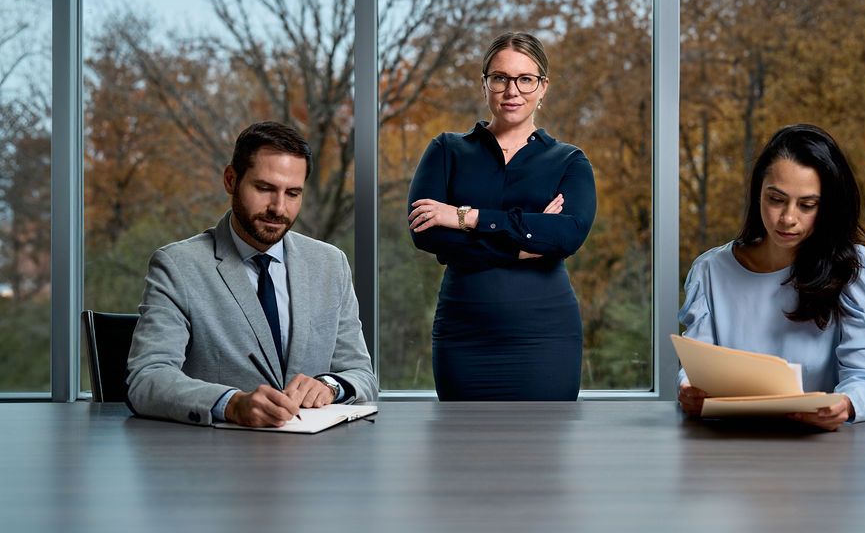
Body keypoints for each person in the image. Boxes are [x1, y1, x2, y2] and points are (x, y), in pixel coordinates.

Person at [126, 121, 377, 427]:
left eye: (293, 193)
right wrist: (230, 403)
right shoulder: (177, 266)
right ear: (231, 180)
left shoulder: (330, 264)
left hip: (314, 462)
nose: (278, 208)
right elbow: (147, 379)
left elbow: (362, 375)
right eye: (264, 188)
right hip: (215, 461)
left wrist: (330, 386)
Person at [407, 31, 596, 400]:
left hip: (546, 337)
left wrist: (467, 217)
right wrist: (525, 239)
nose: (513, 91)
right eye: (500, 78)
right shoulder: (447, 150)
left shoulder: (569, 161)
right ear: (485, 84)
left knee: (542, 455)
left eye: (526, 79)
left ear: (543, 87)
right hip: (463, 334)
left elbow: (567, 235)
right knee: (463, 452)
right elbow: (426, 233)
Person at [677, 124, 865, 430]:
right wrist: (689, 389)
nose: (788, 219)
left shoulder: (854, 271)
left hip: (824, 451)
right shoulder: (711, 271)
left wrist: (844, 404)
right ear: (758, 194)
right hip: (729, 447)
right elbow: (696, 367)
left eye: (807, 205)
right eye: (776, 199)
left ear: (827, 207)